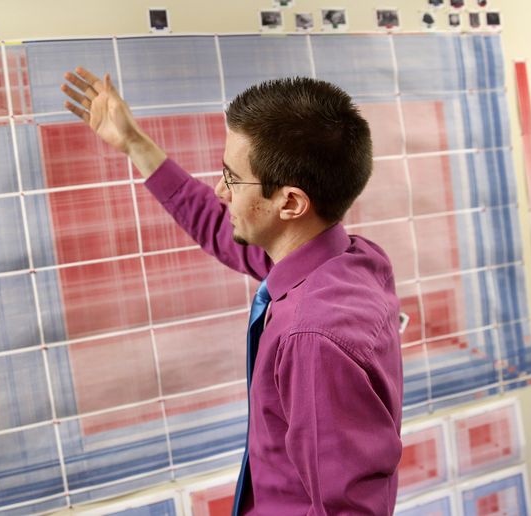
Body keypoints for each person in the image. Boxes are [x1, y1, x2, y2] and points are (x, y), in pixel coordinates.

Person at [61, 68, 403, 515]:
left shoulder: (313, 336)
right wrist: (133, 143)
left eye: (232, 177)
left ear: (291, 203)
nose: (220, 190)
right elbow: (220, 230)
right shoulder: (343, 262)